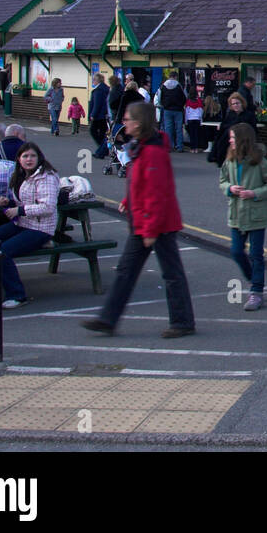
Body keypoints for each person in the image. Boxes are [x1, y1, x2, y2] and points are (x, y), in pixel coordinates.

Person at [82, 102, 194, 337]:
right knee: (127, 271)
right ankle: (108, 319)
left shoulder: (152, 151)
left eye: (127, 119)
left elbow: (157, 193)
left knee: (170, 273)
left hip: (156, 223)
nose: (124, 123)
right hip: (143, 220)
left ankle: (182, 322)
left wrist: (151, 229)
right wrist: (128, 199)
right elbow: (140, 183)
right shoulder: (142, 147)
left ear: (139, 122)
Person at [0, 142, 60, 309]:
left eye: (32, 156)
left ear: (39, 157)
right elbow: (26, 200)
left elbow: (48, 207)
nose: (29, 159)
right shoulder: (20, 174)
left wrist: (19, 210)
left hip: (40, 228)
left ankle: (17, 295)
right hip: (23, 223)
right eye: (25, 156)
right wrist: (9, 202)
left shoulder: (46, 177)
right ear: (18, 159)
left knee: (2, 252)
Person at [219, 123, 267, 311]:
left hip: (255, 213)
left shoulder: (260, 161)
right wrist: (230, 188)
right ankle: (253, 278)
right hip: (237, 211)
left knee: (256, 254)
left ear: (242, 140)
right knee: (236, 251)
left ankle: (256, 291)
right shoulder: (229, 160)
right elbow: (222, 181)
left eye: (232, 138)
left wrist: (254, 193)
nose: (230, 141)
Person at [209, 92, 256, 166]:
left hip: (243, 139)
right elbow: (225, 125)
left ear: (242, 103)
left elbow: (252, 129)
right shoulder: (231, 114)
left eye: (237, 103)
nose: (235, 105)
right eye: (233, 104)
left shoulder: (249, 115)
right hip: (229, 138)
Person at [158, 76, 187, 152]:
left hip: (167, 110)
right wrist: (181, 105)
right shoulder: (179, 85)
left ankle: (169, 147)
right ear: (175, 77)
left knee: (168, 129)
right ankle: (179, 146)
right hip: (178, 110)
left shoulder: (163, 86)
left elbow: (159, 98)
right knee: (179, 129)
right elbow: (184, 97)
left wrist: (164, 105)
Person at [89, 73, 111, 158]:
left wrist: (93, 115)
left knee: (93, 131)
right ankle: (102, 151)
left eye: (94, 80)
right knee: (102, 133)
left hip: (99, 116)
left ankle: (102, 150)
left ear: (97, 80)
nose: (93, 82)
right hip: (105, 115)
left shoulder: (98, 90)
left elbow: (97, 104)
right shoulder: (106, 89)